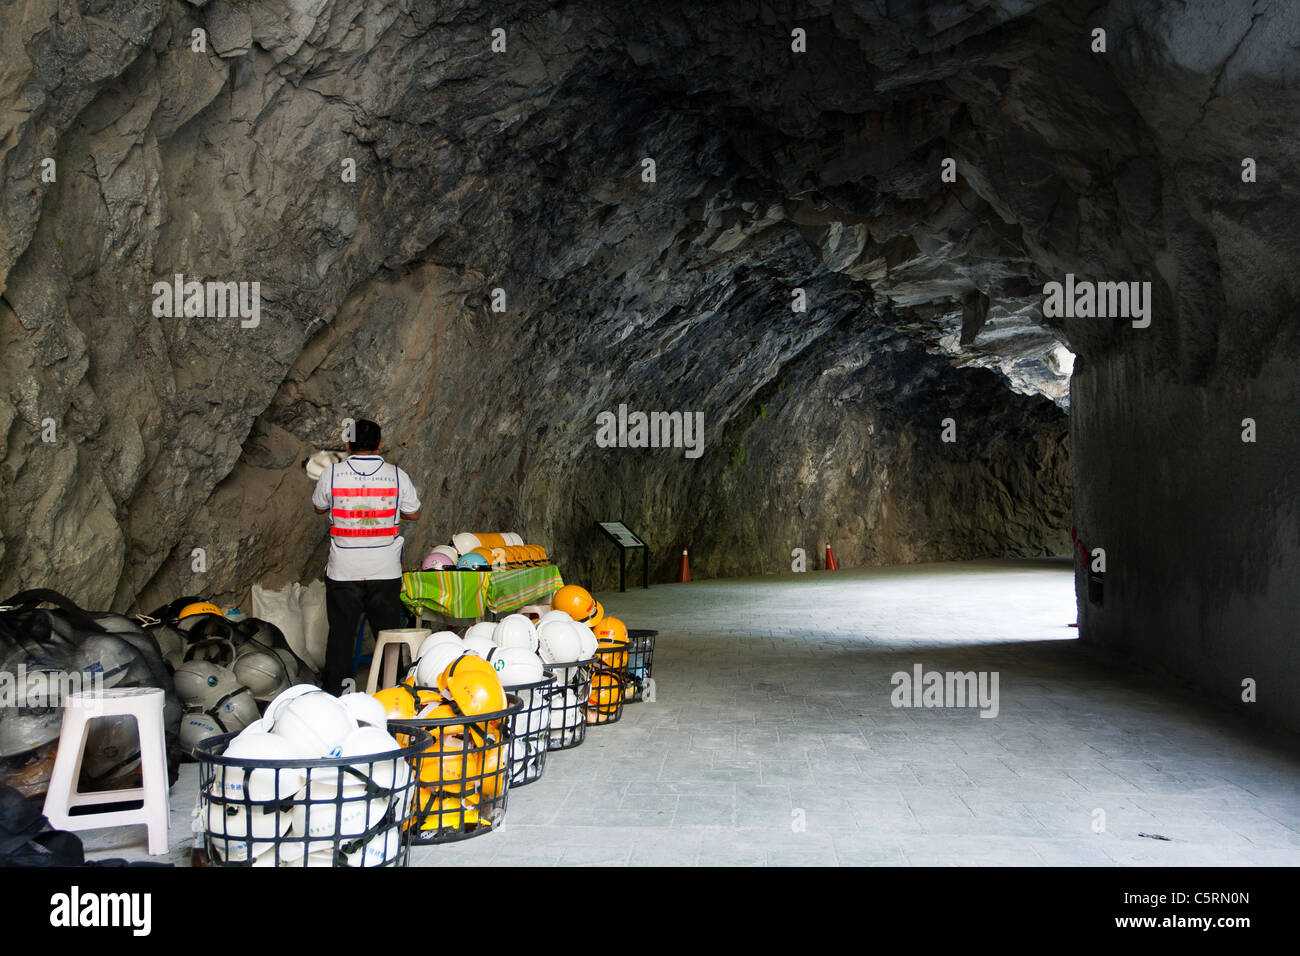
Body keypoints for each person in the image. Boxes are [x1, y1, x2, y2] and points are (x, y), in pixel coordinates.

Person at [311, 419, 421, 694]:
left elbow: (319, 508)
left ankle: (338, 697)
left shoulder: (332, 474)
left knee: (341, 637)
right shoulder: (397, 475)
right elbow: (414, 512)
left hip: (343, 571)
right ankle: (392, 695)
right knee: (387, 637)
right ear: (380, 445)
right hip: (384, 572)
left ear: (348, 445)